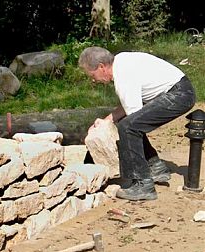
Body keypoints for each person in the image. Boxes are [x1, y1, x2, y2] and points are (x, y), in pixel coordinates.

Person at [78, 47, 196, 201]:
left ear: (101, 67)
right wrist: (106, 120)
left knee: (128, 127)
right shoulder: (122, 62)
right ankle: (155, 167)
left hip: (179, 95)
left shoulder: (122, 74)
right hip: (179, 91)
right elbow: (131, 109)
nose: (93, 80)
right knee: (129, 124)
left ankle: (142, 185)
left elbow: (133, 116)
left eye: (92, 75)